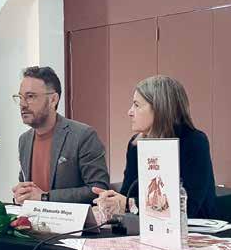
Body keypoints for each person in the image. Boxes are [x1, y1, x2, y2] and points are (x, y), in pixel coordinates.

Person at [93, 75, 217, 219]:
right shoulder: (135, 145)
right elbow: (128, 195)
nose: (130, 112)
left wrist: (129, 204)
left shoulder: (195, 142)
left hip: (194, 227)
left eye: (137, 105)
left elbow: (187, 207)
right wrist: (112, 203)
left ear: (159, 109)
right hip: (147, 226)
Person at [12, 66, 109, 204]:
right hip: (32, 217)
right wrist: (21, 195)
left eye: (30, 96)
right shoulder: (24, 140)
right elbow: (29, 191)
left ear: (53, 100)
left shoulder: (83, 136)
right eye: (20, 97)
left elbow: (98, 189)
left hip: (73, 219)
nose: (22, 104)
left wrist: (46, 197)